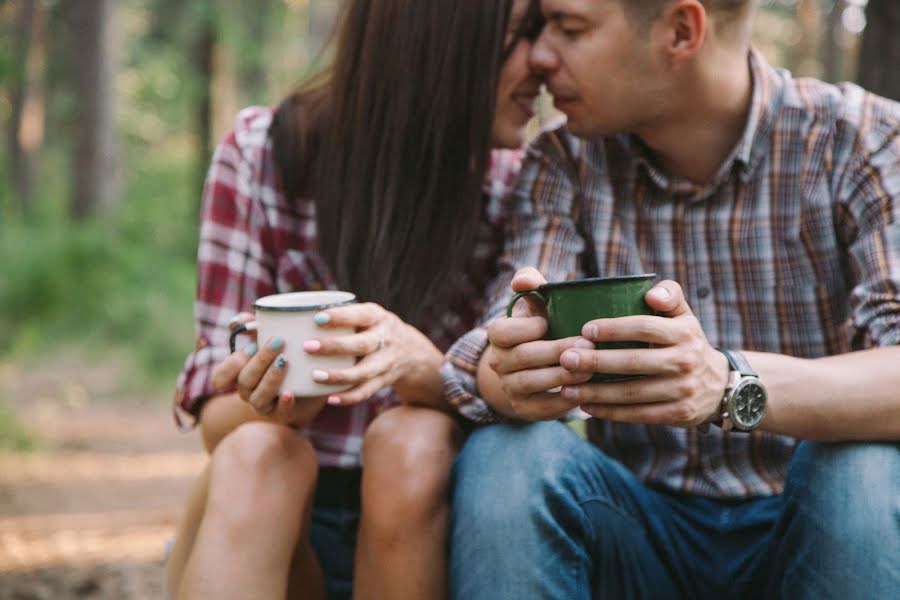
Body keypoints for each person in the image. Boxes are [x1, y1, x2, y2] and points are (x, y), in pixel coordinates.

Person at [441, 0, 900, 598]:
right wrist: (512, 372)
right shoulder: (564, 161)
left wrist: (725, 384)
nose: (541, 56)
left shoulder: (864, 140)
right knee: (506, 457)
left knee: (861, 470)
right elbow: (493, 350)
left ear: (681, 31)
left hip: (814, 526)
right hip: (635, 530)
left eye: (570, 28)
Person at [165, 1, 544, 598]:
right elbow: (214, 420)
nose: (544, 61)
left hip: (430, 522)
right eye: (523, 36)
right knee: (259, 449)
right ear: (438, 42)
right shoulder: (263, 154)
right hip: (282, 525)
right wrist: (275, 402)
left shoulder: (521, 185)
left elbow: (521, 396)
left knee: (413, 440)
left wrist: (420, 367)